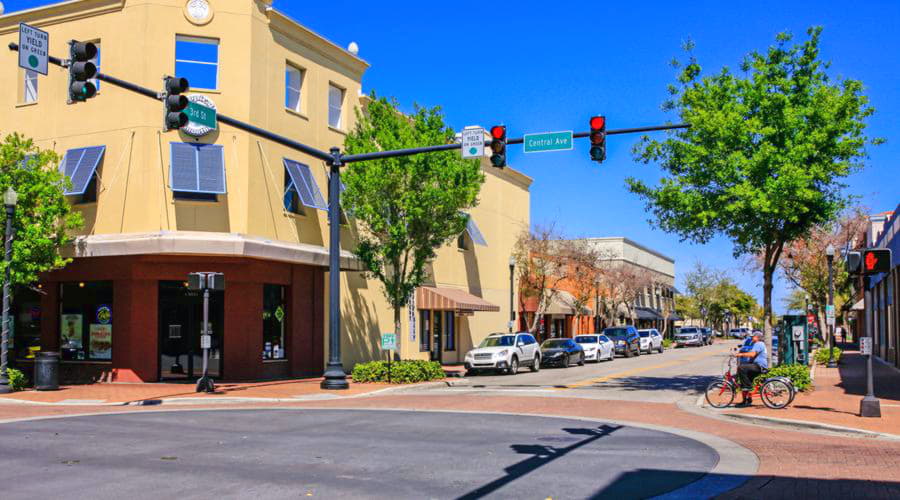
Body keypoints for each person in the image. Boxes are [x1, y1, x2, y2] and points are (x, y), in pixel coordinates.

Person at [734, 331, 768, 407]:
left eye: (753, 336)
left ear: (757, 337)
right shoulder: (758, 344)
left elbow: (752, 354)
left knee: (741, 368)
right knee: (745, 378)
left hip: (759, 366)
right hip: (757, 365)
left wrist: (741, 354)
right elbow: (752, 355)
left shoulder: (758, 344)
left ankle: (748, 388)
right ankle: (746, 400)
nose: (752, 338)